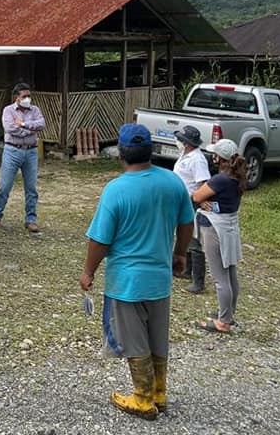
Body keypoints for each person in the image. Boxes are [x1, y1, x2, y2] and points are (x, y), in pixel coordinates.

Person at [79, 123, 194, 420]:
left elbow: (100, 239)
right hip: (159, 279)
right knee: (157, 336)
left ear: (121, 153)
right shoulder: (172, 183)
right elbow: (186, 222)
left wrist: (88, 271)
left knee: (133, 339)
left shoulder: (116, 190)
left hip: (127, 282)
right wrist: (180, 253)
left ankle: (142, 398)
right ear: (151, 152)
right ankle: (159, 392)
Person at [192, 138, 245, 334]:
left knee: (219, 278)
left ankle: (223, 321)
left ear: (219, 158)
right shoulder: (237, 177)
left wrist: (202, 201)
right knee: (230, 273)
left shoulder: (219, 179)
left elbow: (197, 196)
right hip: (229, 225)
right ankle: (228, 314)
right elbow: (223, 203)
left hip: (215, 228)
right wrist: (210, 203)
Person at [0, 82, 45, 233]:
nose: (28, 98)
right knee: (4, 186)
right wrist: (29, 131)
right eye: (24, 96)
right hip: (12, 150)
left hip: (31, 151)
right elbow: (9, 128)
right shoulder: (8, 110)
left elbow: (41, 124)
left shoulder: (35, 110)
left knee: (31, 188)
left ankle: (31, 219)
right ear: (16, 97)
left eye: (29, 96)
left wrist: (24, 124)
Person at [172, 125, 211, 294]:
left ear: (186, 143)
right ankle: (186, 270)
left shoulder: (197, 159)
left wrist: (202, 201)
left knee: (194, 239)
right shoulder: (185, 154)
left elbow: (202, 183)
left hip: (192, 201)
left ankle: (198, 280)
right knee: (184, 235)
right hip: (182, 200)